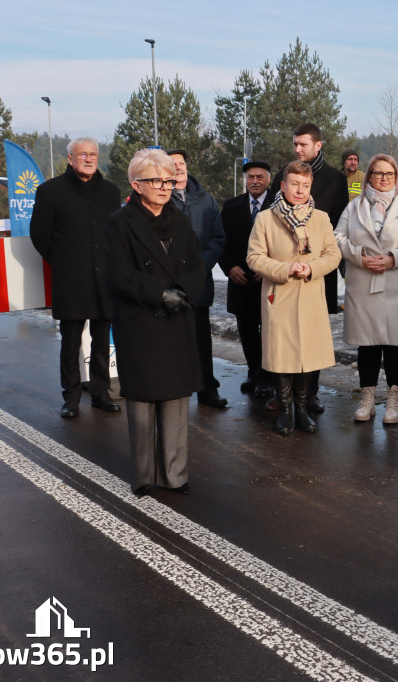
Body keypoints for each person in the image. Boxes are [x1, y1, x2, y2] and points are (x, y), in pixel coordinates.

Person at [105, 149, 204, 498]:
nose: (164, 187)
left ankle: (174, 475)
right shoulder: (119, 222)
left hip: (177, 319)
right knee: (144, 402)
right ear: (136, 185)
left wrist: (183, 291)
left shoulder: (181, 220)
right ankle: (144, 475)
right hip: (141, 319)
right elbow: (118, 275)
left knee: (176, 399)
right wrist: (161, 293)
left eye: (168, 180)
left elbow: (197, 266)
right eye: (155, 181)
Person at [247, 161, 341, 435]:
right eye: (295, 184)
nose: (300, 190)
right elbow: (254, 256)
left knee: (307, 356)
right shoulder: (266, 218)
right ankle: (286, 410)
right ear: (283, 186)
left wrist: (311, 268)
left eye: (305, 185)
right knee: (282, 356)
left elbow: (333, 255)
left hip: (311, 295)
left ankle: (302, 408)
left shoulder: (321, 218)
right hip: (280, 295)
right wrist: (286, 269)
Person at [30, 138, 122, 418]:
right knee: (70, 341)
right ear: (70, 159)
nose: (89, 159)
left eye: (93, 154)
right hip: (71, 279)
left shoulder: (110, 191)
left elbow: (116, 234)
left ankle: (101, 392)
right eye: (82, 154)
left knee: (101, 340)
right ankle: (70, 397)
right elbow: (40, 235)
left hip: (105, 278)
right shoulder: (50, 191)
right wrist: (62, 262)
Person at [336, 154, 398, 425]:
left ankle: (393, 401)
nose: (384, 178)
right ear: (369, 176)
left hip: (397, 284)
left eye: (389, 174)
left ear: (397, 177)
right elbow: (338, 236)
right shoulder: (355, 206)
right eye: (378, 173)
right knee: (368, 345)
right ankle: (368, 400)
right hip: (364, 283)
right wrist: (358, 257)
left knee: (395, 345)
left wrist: (393, 258)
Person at [269, 123, 349, 414]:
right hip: (284, 270)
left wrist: (324, 264)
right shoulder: (284, 174)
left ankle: (310, 393)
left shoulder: (335, 179)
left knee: (313, 335)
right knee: (283, 334)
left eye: (303, 144)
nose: (297, 149)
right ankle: (283, 394)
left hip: (317, 271)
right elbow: (269, 215)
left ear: (318, 145)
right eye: (295, 144)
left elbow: (338, 224)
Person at [168, 149, 227, 409]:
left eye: (181, 163)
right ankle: (175, 390)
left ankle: (207, 389)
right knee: (172, 339)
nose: (178, 167)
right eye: (172, 164)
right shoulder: (160, 198)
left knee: (202, 340)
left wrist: (201, 265)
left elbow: (218, 238)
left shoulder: (206, 200)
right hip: (169, 283)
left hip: (199, 281)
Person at [220, 161, 272, 398]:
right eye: (251, 177)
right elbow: (222, 241)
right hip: (240, 281)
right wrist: (230, 267)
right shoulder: (231, 206)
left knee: (270, 330)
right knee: (248, 331)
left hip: (269, 281)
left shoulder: (279, 205)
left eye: (260, 177)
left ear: (268, 180)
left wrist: (270, 269)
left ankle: (268, 376)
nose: (255, 181)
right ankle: (253, 372)